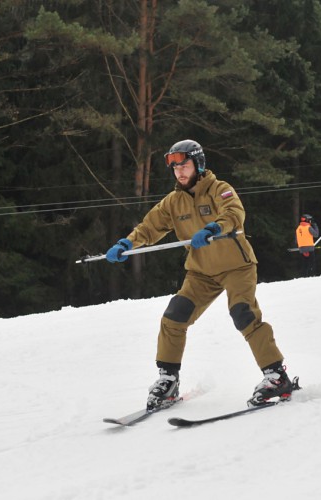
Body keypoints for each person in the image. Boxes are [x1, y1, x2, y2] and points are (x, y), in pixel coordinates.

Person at [105, 139, 295, 409]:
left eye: (185, 165)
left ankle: (277, 375)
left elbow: (234, 214)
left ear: (198, 163)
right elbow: (150, 227)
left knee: (244, 314)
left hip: (236, 267)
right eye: (175, 168)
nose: (180, 172)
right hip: (201, 273)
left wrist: (213, 229)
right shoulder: (173, 202)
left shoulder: (220, 189)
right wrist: (127, 243)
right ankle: (168, 379)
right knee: (174, 316)